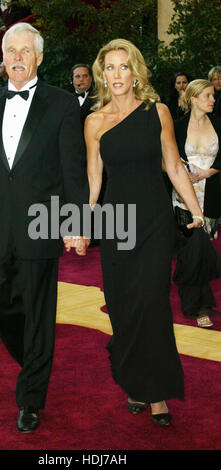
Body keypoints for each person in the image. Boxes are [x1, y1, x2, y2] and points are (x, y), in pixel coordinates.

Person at [0, 22, 89, 433]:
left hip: (42, 226)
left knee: (37, 314)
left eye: (25, 51)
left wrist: (75, 222)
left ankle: (31, 396)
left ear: (40, 57)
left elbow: (73, 172)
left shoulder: (64, 104)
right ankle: (35, 358)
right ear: (2, 58)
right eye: (10, 51)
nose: (16, 57)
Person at [84, 39, 204, 426]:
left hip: (152, 222)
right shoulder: (94, 122)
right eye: (110, 68)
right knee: (123, 306)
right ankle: (134, 381)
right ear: (103, 74)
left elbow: (173, 165)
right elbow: (93, 180)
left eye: (124, 67)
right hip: (115, 225)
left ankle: (156, 394)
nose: (117, 74)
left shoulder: (159, 112)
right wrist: (82, 224)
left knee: (152, 303)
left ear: (135, 72)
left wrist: (196, 210)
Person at [172, 79, 221, 328]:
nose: (213, 100)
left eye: (213, 95)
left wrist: (208, 173)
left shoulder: (219, 124)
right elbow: (169, 158)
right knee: (191, 250)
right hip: (183, 196)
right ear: (193, 99)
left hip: (210, 194)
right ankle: (194, 305)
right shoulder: (178, 126)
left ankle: (204, 298)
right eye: (208, 96)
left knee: (202, 249)